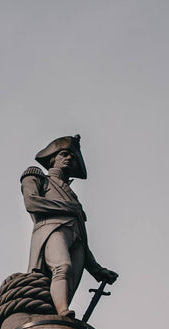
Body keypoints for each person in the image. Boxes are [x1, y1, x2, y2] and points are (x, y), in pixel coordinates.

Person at [21, 134, 118, 317]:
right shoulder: (37, 177)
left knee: (70, 282)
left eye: (72, 158)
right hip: (52, 229)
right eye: (64, 154)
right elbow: (32, 202)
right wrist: (69, 208)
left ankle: (57, 314)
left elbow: (81, 237)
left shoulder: (72, 196)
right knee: (62, 267)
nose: (68, 159)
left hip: (76, 240)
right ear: (53, 158)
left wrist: (97, 270)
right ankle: (62, 311)